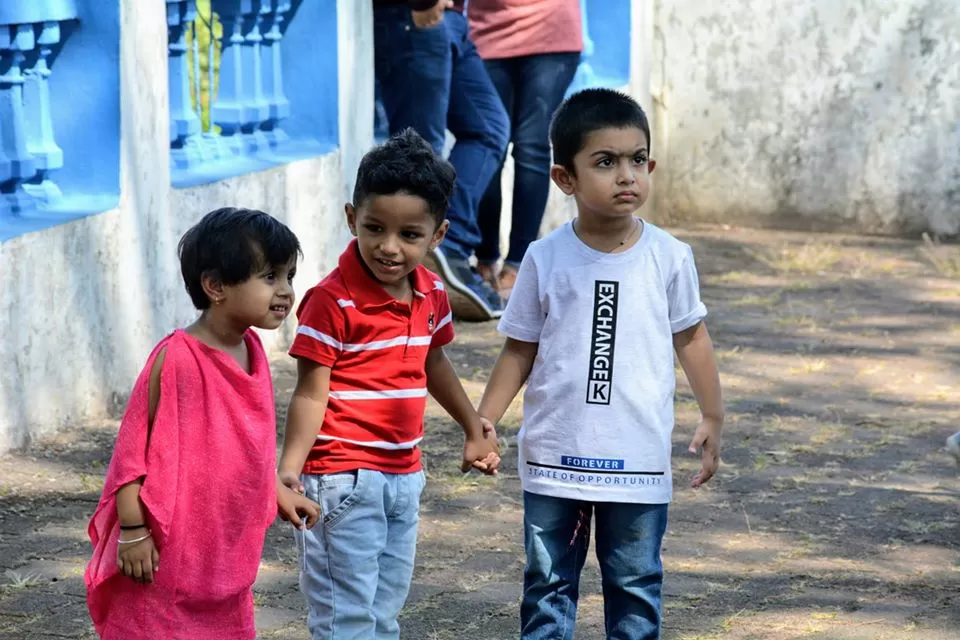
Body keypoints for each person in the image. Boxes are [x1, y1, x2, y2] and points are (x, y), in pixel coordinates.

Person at [477, 89, 725, 639]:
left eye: (637, 160)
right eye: (606, 162)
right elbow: (520, 348)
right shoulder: (544, 258)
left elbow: (693, 338)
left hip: (636, 460)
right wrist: (483, 422)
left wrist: (712, 417)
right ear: (565, 179)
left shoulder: (669, 257)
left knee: (636, 586)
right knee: (547, 587)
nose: (626, 175)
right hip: (554, 459)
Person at [277, 129, 502, 639]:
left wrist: (473, 427)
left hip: (404, 477)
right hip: (341, 479)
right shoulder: (329, 301)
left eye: (409, 235)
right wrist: (290, 469)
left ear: (438, 235)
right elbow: (311, 391)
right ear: (351, 217)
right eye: (374, 228)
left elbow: (434, 363)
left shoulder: (432, 292)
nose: (389, 247)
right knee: (346, 618)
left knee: (383, 613)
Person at [84, 208, 322, 640]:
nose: (286, 291)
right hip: (166, 560)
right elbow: (131, 455)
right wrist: (134, 532)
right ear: (215, 286)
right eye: (269, 276)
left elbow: (237, 449)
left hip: (224, 556)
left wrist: (274, 491)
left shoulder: (252, 349)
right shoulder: (175, 358)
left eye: (289, 275)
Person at [373, 0, 509, 321]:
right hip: (416, 14)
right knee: (419, 152)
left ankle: (449, 245)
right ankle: (408, 281)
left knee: (489, 129)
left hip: (452, 19)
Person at [468, 0, 583, 299]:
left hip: (551, 32)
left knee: (532, 147)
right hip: (487, 34)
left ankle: (519, 262)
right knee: (488, 143)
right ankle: (484, 257)